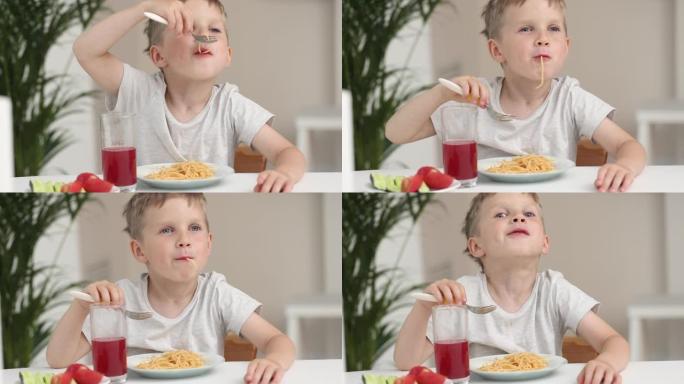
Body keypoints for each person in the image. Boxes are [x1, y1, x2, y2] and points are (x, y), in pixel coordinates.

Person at [385, 0, 645, 193]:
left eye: (553, 28)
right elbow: (395, 133)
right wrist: (441, 93)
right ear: (497, 51)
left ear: (565, 47)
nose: (543, 39)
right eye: (526, 29)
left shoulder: (570, 98)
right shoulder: (474, 101)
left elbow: (629, 146)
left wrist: (625, 167)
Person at [47, 193, 295, 384]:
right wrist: (81, 307)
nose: (184, 239)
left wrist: (273, 360)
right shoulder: (120, 299)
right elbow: (58, 359)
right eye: (167, 230)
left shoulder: (217, 294)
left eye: (194, 228)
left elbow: (278, 340)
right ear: (139, 250)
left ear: (208, 244)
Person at [394, 193, 629, 384]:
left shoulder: (554, 290)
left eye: (528, 213)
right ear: (476, 246)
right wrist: (424, 307)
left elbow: (614, 341)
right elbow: (406, 362)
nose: (518, 218)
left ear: (544, 243)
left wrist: (606, 363)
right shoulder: (463, 294)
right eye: (501, 214)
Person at [73, 0, 306, 193]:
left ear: (227, 55)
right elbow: (86, 51)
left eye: (214, 30)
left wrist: (285, 172)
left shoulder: (230, 105)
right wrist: (146, 8)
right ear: (159, 56)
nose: (203, 36)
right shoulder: (138, 92)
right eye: (188, 28)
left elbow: (287, 152)